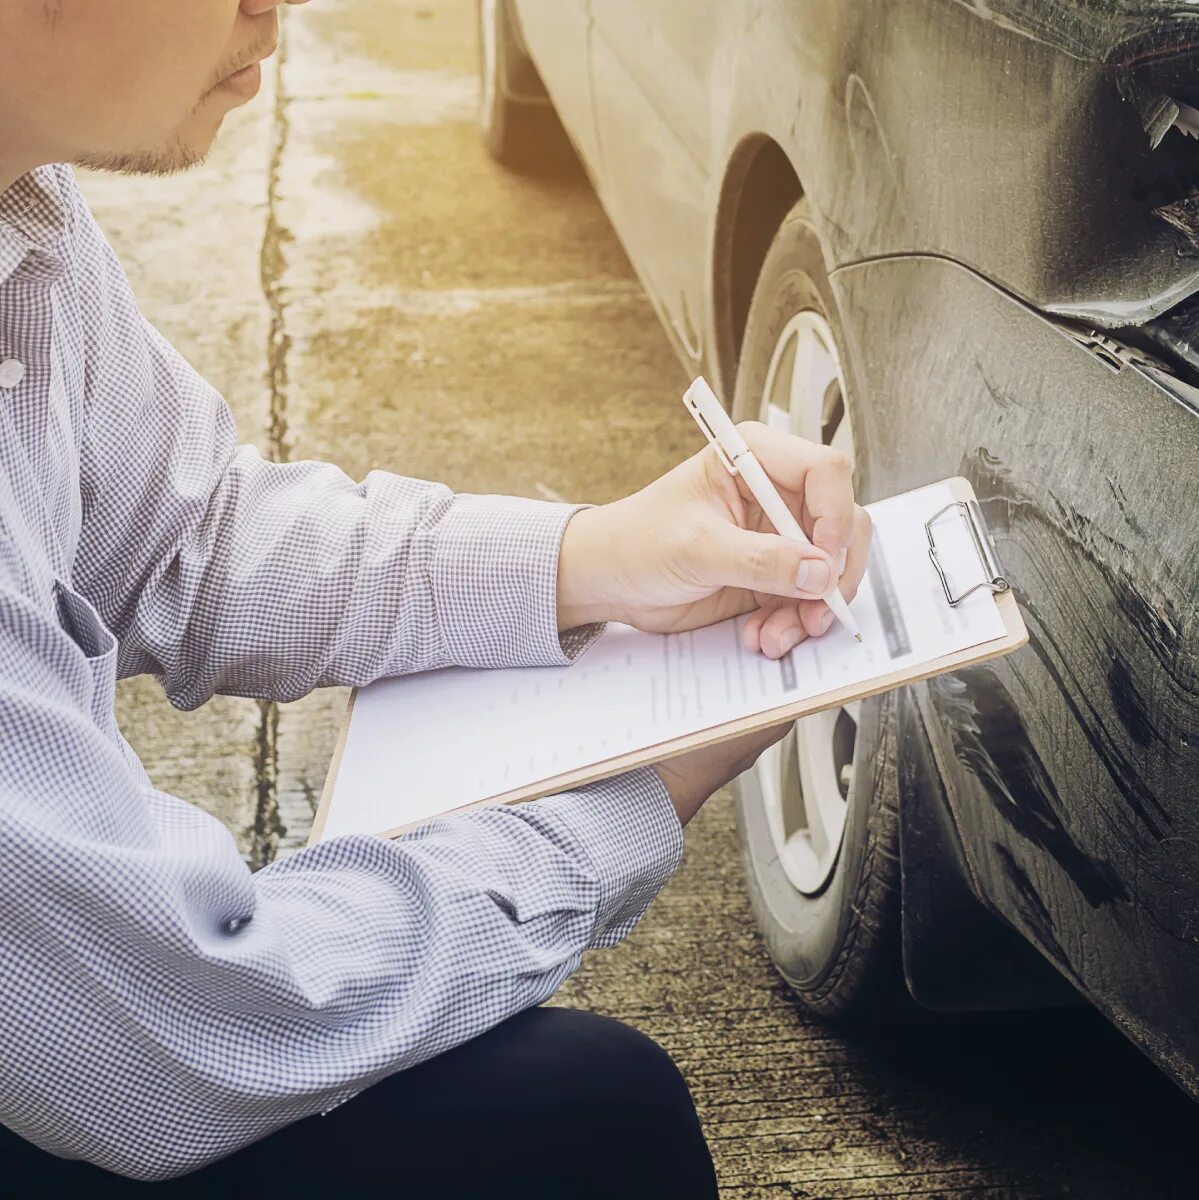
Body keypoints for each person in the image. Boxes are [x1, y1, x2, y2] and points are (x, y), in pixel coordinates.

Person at [0, 1, 871, 1196]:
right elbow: (180, 1025)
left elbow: (184, 536)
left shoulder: (22, 205)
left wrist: (596, 557)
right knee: (594, 1124)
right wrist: (630, 796)